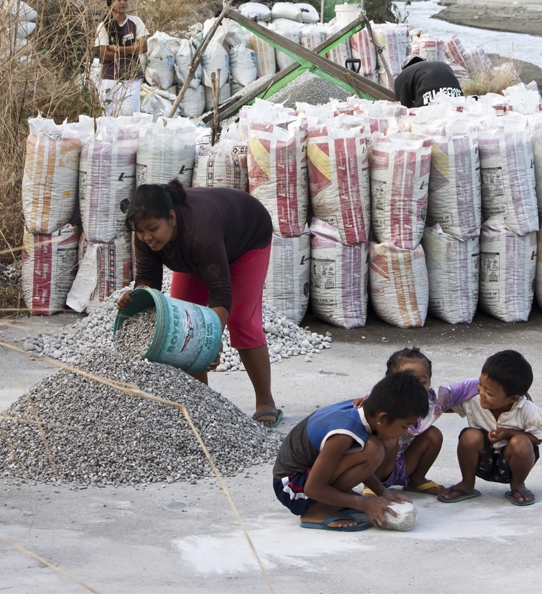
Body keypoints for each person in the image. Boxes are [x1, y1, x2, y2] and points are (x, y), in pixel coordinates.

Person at [117, 180, 282, 428]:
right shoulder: (144, 233)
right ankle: (200, 404)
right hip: (198, 254)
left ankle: (265, 402)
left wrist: (212, 341)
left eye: (152, 228)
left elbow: (220, 295)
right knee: (185, 324)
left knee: (240, 320)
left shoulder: (201, 232)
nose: (147, 237)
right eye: (141, 231)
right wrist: (136, 297)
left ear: (171, 217)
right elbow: (148, 280)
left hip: (246, 239)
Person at [273, 371, 429, 531]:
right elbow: (312, 488)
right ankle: (315, 510)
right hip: (292, 487)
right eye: (404, 426)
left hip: (307, 476)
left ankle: (330, 501)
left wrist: (381, 491)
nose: (406, 431)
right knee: (373, 450)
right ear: (382, 418)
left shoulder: (367, 411)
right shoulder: (343, 433)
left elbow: (355, 460)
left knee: (372, 448)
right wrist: (363, 503)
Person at [356, 347, 479, 496]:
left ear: (429, 381)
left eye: (422, 382)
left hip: (407, 463)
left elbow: (470, 386)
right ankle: (372, 487)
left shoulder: (436, 399)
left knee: (433, 434)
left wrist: (499, 381)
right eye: (406, 381)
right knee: (389, 440)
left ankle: (417, 479)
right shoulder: (382, 402)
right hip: (379, 466)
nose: (414, 388)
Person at [437, 349, 542, 507]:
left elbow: (537, 438)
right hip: (481, 462)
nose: (481, 392)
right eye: (481, 384)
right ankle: (467, 484)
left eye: (490, 392)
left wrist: (509, 433)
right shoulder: (473, 399)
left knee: (521, 443)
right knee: (469, 436)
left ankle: (518, 485)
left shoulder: (529, 411)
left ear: (513, 398)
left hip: (510, 464)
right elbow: (444, 406)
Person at [95, 0, 148, 115]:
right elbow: (104, 55)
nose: (122, 3)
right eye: (119, 0)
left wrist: (116, 48)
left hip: (131, 78)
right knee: (107, 117)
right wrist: (132, 49)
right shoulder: (104, 25)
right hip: (110, 77)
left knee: (131, 116)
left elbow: (143, 47)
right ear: (111, 2)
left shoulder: (135, 22)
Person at [394, 55, 463, 109]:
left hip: (429, 94)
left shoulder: (402, 76)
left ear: (403, 69)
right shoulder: (441, 65)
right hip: (456, 93)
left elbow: (403, 107)